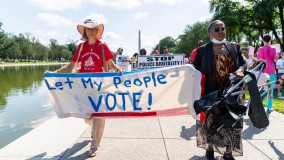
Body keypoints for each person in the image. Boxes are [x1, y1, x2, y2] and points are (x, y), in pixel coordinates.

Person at [51, 19, 123, 157]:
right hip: (83, 86)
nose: (90, 31)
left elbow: (110, 63)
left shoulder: (102, 46)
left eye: (92, 29)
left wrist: (118, 68)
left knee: (99, 115)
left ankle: (94, 145)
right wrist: (56, 73)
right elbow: (71, 65)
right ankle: (93, 129)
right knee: (87, 116)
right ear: (84, 32)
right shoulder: (81, 47)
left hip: (99, 86)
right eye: (87, 29)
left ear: (97, 31)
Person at [193, 20, 246, 160]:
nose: (221, 31)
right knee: (210, 123)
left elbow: (243, 64)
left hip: (231, 92)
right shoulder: (202, 50)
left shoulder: (234, 47)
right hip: (211, 93)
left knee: (232, 122)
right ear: (210, 33)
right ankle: (209, 150)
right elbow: (194, 70)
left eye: (223, 28)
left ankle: (228, 153)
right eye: (217, 29)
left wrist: (240, 70)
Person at [257, 34, 278, 112]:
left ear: (262, 40)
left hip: (263, 71)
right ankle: (269, 107)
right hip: (272, 70)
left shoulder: (260, 49)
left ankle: (259, 106)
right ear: (270, 40)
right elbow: (275, 60)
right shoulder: (274, 48)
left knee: (260, 88)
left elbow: (260, 60)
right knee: (270, 90)